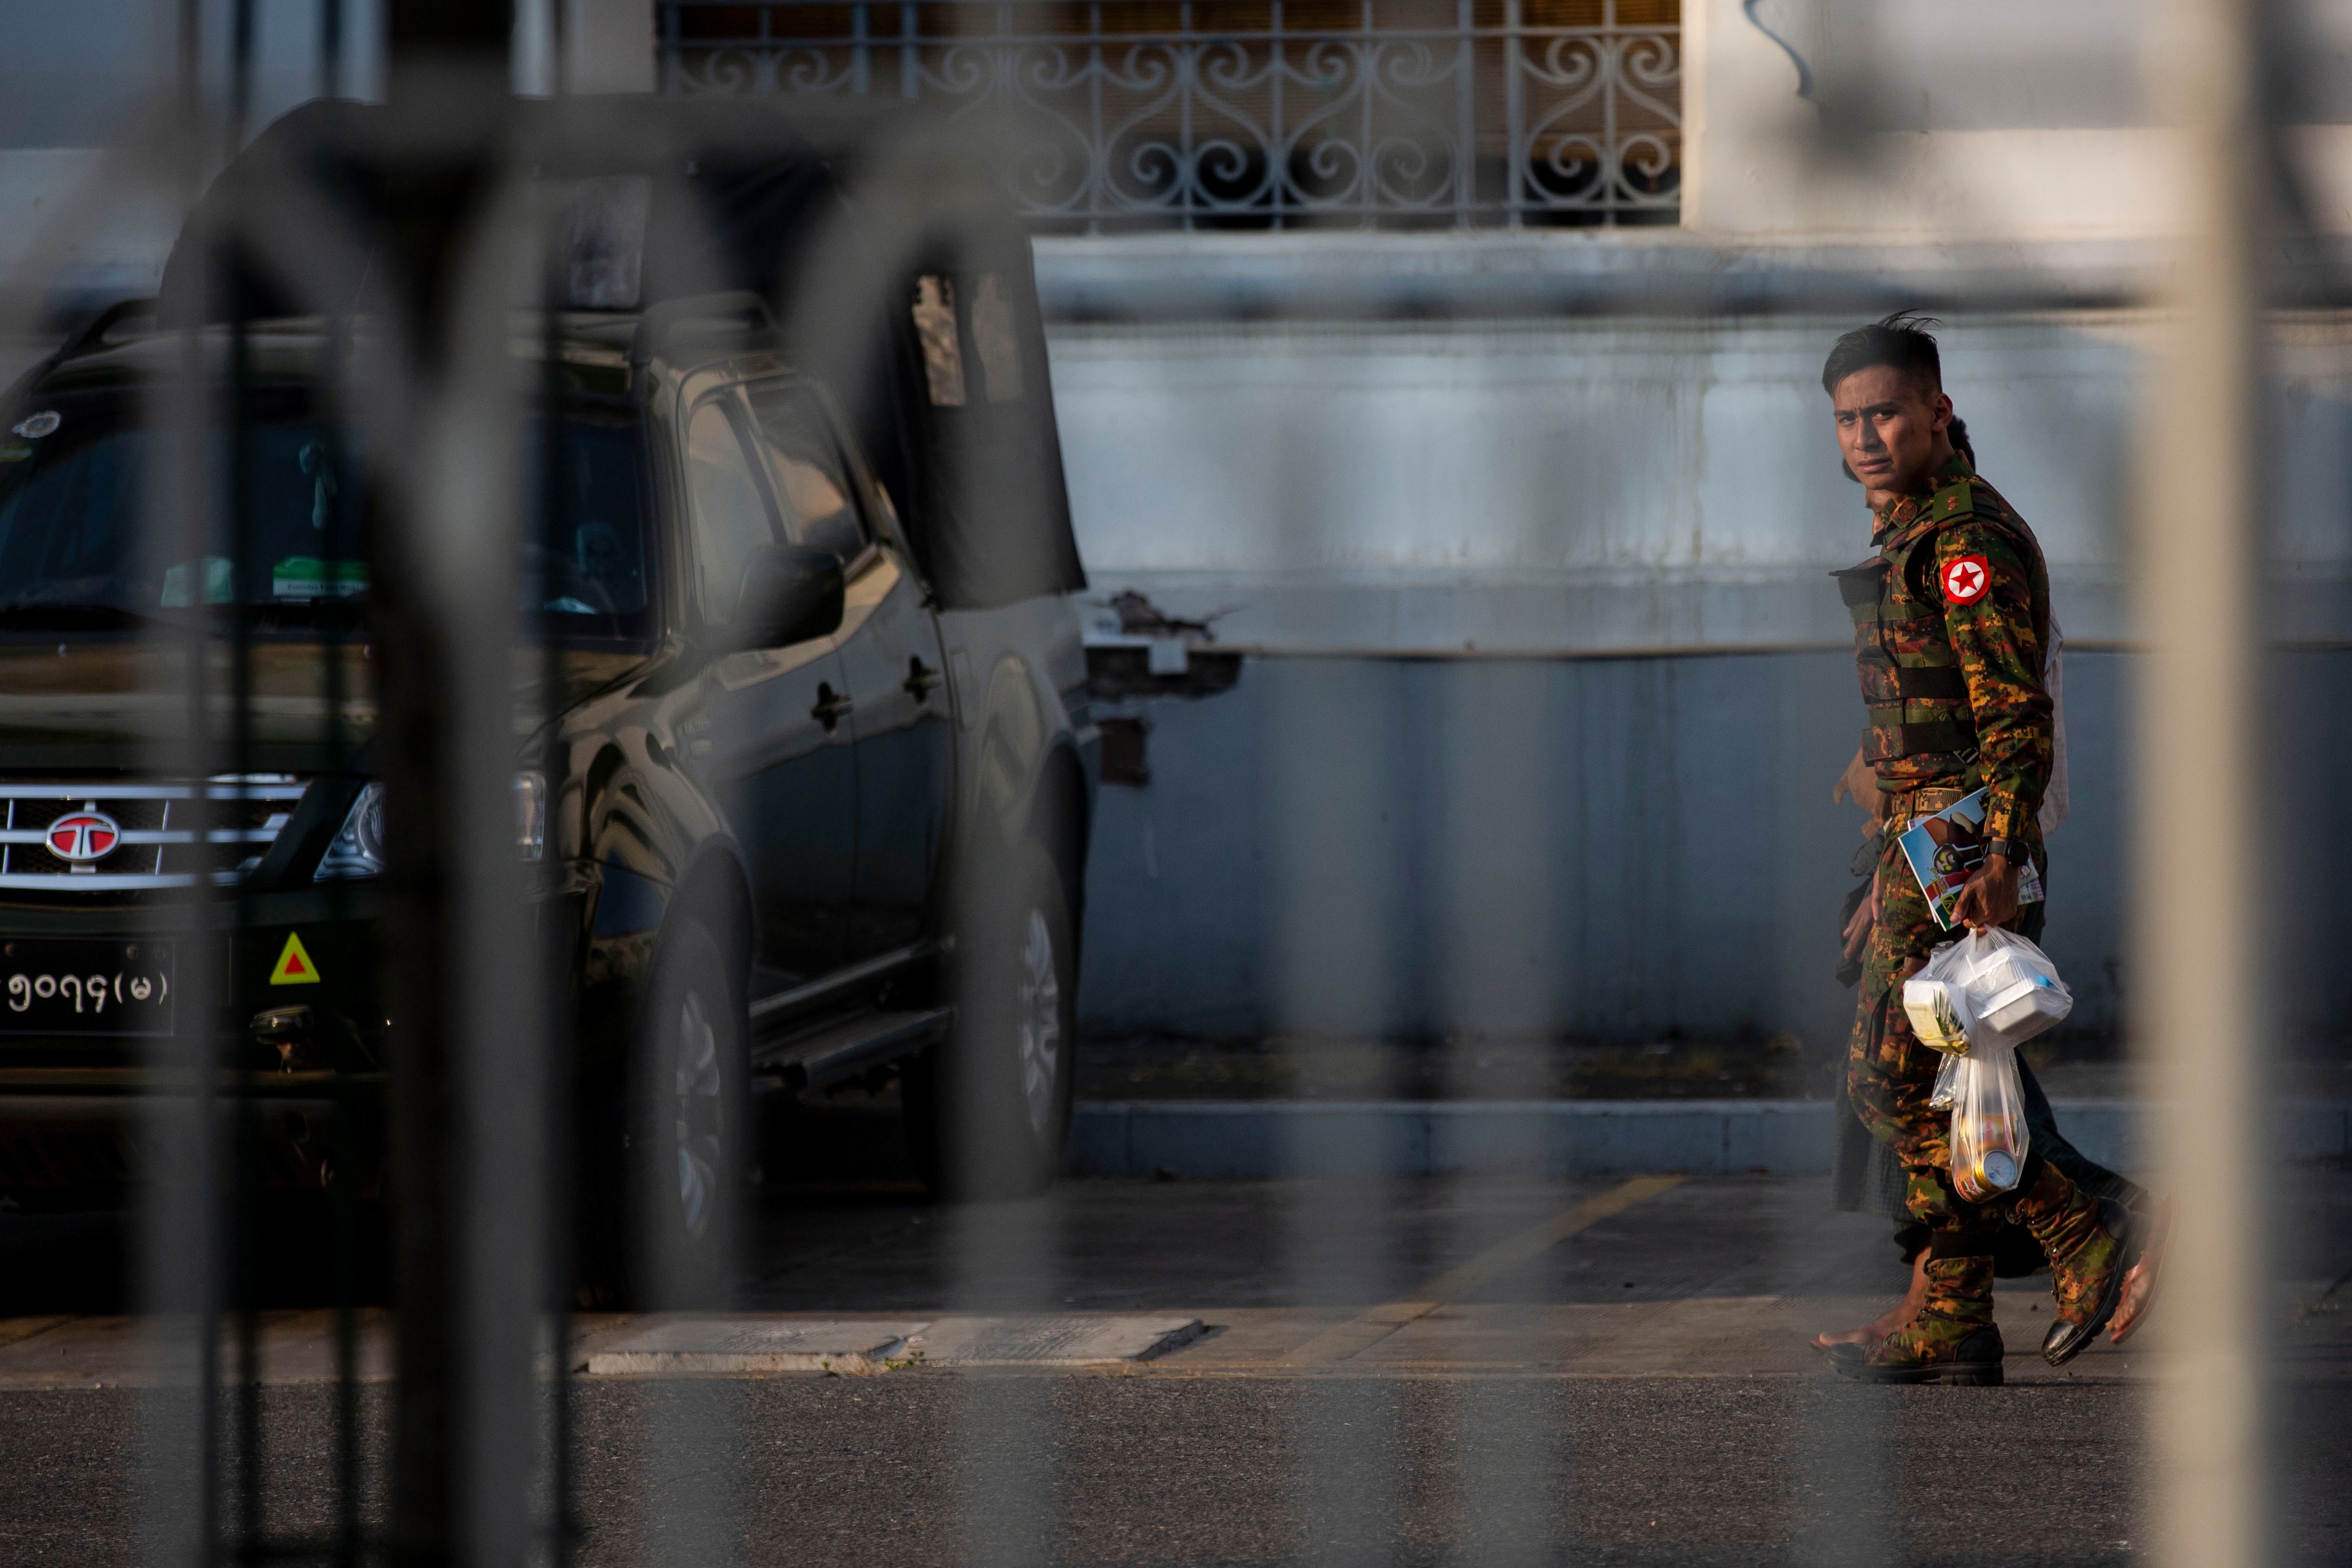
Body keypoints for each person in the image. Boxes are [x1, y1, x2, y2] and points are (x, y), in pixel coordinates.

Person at [1815, 313, 2153, 1384]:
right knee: (1946, 1088)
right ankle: (1953, 1316)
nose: (1867, 435)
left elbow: (2012, 721)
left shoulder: (1964, 544)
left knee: (1894, 1085)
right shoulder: (1915, 528)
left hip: (1959, 847)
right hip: (1920, 835)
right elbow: (1938, 699)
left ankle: (2080, 1226)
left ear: (1938, 410)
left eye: (1887, 413)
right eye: (1848, 420)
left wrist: (2000, 857)